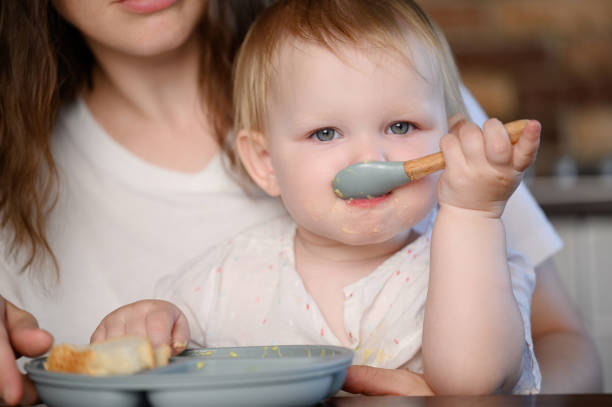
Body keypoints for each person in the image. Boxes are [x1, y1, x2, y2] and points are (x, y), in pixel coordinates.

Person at [0, 0, 601, 404]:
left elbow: (475, 379)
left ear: (449, 138)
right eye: (324, 134)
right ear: (262, 161)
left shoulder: (473, 257)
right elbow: (161, 367)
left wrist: (472, 211)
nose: (373, 157)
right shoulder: (221, 279)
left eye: (399, 128)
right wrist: (145, 324)